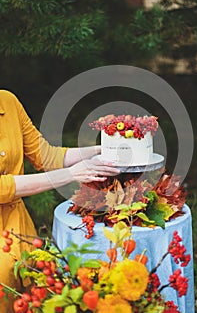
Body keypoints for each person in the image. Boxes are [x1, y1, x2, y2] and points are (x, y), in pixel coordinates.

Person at [0, 89, 119, 312]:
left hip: (17, 227)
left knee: (31, 296)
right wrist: (72, 174)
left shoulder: (8, 101)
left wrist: (103, 150)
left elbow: (46, 156)